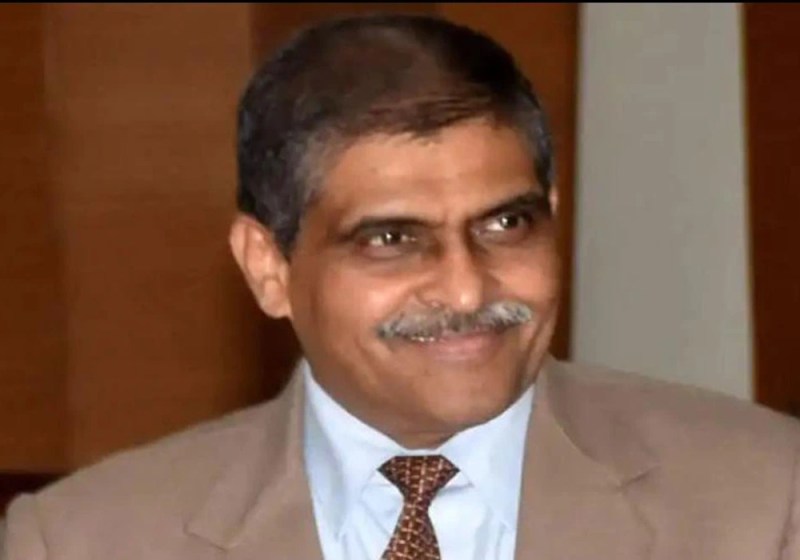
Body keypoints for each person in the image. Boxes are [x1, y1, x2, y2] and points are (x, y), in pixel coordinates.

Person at [2, 12, 799, 560]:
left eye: (505, 224)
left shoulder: (766, 503)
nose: (466, 290)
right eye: (391, 240)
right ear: (267, 267)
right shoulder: (81, 542)